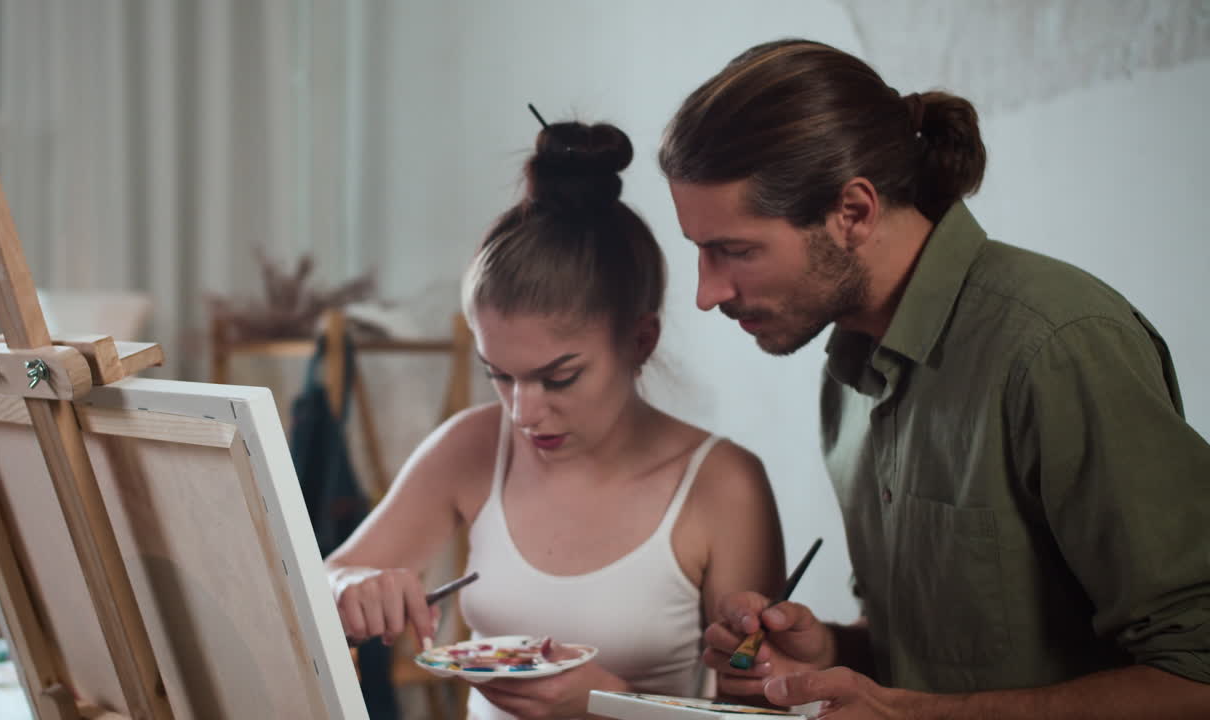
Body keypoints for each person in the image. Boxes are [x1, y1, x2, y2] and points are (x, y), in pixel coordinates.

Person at [658, 38, 1210, 718]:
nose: (706, 293)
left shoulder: (1057, 344)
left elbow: (1197, 675)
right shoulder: (847, 377)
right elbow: (952, 657)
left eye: (734, 251)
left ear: (854, 212)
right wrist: (831, 653)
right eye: (699, 251)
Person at [324, 118, 785, 720]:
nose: (522, 411)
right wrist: (350, 589)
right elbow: (326, 583)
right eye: (499, 373)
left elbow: (758, 712)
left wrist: (604, 705)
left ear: (641, 340)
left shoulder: (724, 486)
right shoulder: (473, 444)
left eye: (558, 377)